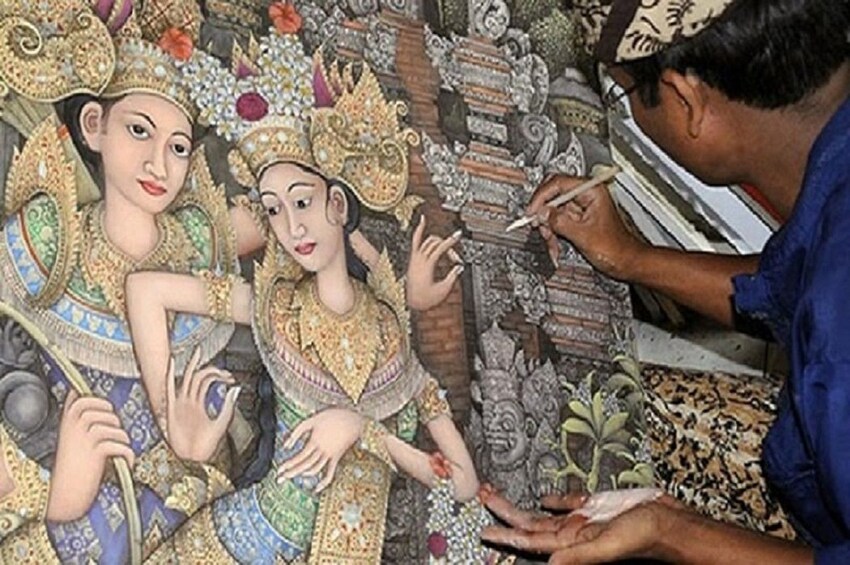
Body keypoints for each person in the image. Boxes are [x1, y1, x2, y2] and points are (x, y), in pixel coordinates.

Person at [481, 0, 850, 563]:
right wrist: (630, 257)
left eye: (626, 92)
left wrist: (672, 534)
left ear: (686, 100)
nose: (629, 108)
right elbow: (787, 287)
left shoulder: (838, 352)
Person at [124, 25, 505, 563]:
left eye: (301, 202)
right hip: (244, 542)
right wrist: (173, 425)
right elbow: (145, 289)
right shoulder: (276, 308)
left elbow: (461, 482)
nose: (291, 227)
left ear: (338, 206)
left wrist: (361, 430)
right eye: (274, 210)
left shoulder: (392, 337)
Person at [0, 2, 243, 561]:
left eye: (178, 147)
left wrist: (200, 451)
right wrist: (60, 498)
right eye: (138, 131)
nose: (159, 164)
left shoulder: (199, 244)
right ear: (94, 126)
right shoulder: (45, 240)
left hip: (184, 523)